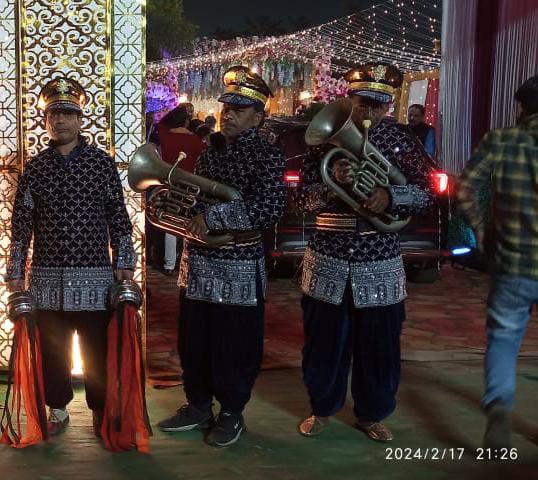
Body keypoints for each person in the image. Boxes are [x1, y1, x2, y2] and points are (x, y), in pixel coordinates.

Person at [296, 63, 434, 442]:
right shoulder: (323, 142)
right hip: (328, 256)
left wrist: (390, 195)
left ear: (389, 105)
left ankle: (372, 413)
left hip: (379, 258)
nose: (370, 112)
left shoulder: (403, 140)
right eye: (362, 103)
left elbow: (426, 192)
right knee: (323, 341)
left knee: (380, 345)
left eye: (378, 104)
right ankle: (322, 408)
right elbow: (301, 199)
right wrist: (331, 184)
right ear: (349, 101)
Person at [157, 65, 286, 447]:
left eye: (239, 109)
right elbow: (196, 198)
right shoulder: (210, 151)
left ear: (258, 116)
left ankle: (232, 412)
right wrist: (175, 204)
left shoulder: (267, 154)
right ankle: (198, 404)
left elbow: (270, 207)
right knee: (193, 339)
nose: (228, 114)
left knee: (235, 342)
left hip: (239, 265)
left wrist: (212, 217)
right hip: (199, 262)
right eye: (226, 107)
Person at [5, 77, 136, 437]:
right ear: (45, 121)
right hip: (46, 278)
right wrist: (15, 271)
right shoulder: (36, 168)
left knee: (96, 350)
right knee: (52, 351)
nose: (59, 120)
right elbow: (21, 225)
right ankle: (58, 408)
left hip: (95, 278)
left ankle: (101, 409)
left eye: (67, 114)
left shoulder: (101, 165)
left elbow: (118, 218)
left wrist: (125, 263)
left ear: (80, 120)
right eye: (53, 115)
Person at [457, 76, 538, 449]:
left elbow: (466, 188)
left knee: (504, 339)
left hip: (513, 263)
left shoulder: (501, 140)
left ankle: (500, 411)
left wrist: (481, 229)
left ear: (522, 106)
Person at [158, 106, 206, 275]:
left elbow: (161, 124)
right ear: (186, 122)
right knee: (190, 224)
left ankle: (169, 264)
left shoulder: (165, 136)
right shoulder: (195, 140)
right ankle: (187, 261)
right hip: (192, 185)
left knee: (170, 225)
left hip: (170, 183)